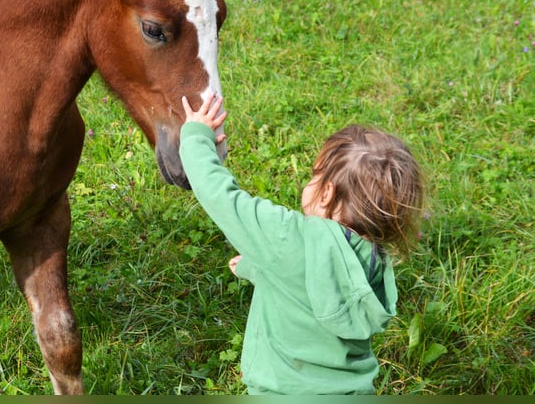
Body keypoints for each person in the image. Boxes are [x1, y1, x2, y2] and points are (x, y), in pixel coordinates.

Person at [179, 92, 424, 395]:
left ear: (326, 194)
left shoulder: (286, 236)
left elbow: (220, 195)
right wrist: (258, 267)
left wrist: (195, 134)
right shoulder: (374, 259)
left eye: (315, 175)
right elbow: (314, 277)